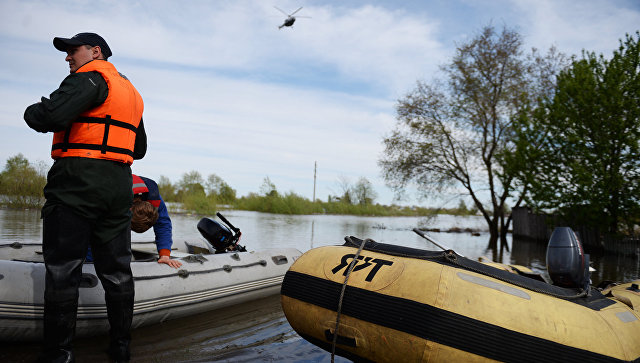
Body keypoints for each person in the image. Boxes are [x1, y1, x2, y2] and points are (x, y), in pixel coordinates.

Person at [24, 32, 145, 363]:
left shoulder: (88, 78)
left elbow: (49, 117)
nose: (67, 57)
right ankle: (120, 349)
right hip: (118, 185)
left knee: (64, 269)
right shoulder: (131, 92)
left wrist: (32, 110)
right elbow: (139, 148)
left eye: (71, 50)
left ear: (95, 51)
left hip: (77, 181)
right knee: (118, 270)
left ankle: (59, 356)